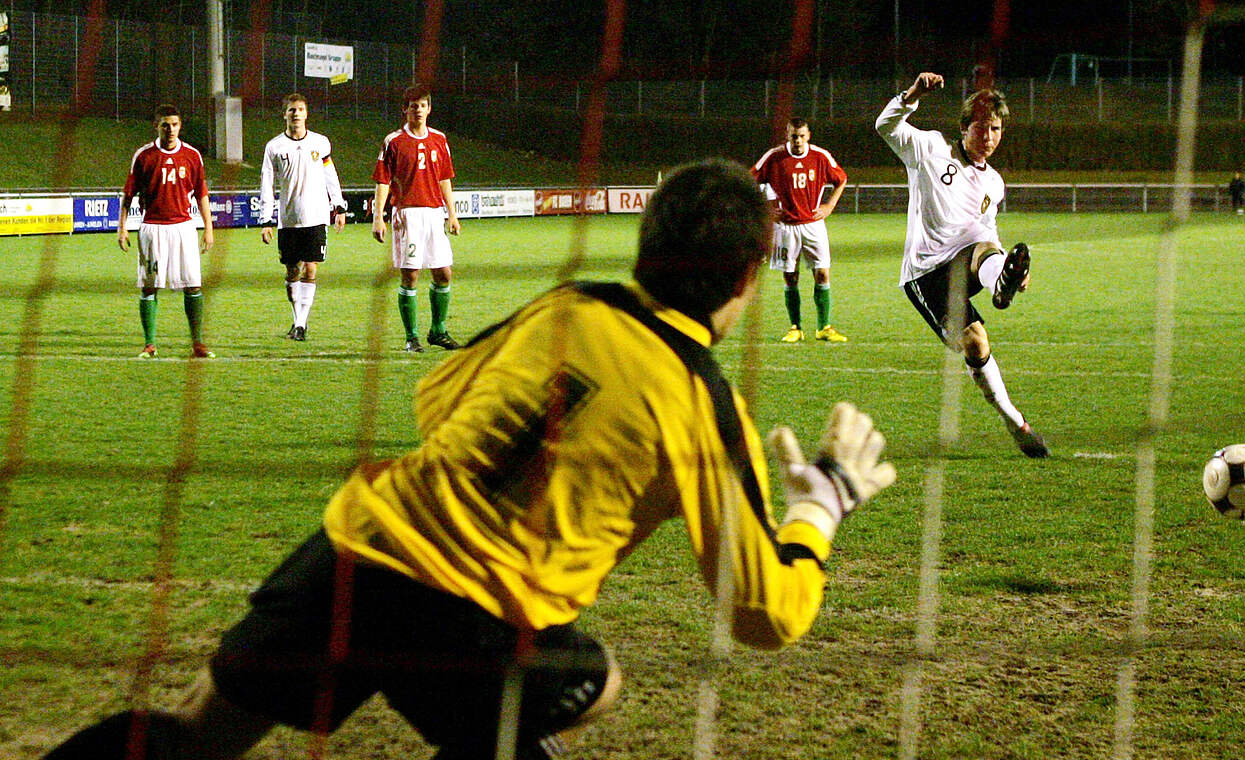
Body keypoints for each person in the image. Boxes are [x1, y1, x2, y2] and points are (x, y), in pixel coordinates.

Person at [42, 159, 897, 760]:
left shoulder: (568, 304)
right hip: (479, 612)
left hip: (361, 546)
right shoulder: (706, 406)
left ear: (646, 246)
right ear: (750, 276)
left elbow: (438, 402)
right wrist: (821, 501)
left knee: (197, 734)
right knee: (588, 684)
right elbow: (765, 614)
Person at [875, 72, 1049, 458]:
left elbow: (986, 233)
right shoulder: (929, 148)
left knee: (986, 245)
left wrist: (1005, 266)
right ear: (964, 127)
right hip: (926, 273)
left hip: (969, 261)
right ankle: (1013, 420)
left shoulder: (995, 184)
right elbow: (885, 126)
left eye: (996, 129)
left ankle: (1000, 285)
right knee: (974, 343)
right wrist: (912, 95)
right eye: (982, 128)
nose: (989, 137)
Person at [117, 103, 215, 359]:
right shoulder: (144, 156)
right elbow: (128, 194)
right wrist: (122, 228)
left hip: (184, 227)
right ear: (156, 126)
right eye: (165, 125)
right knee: (150, 287)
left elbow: (202, 194)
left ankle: (198, 343)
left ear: (180, 126)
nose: (170, 129)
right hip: (153, 229)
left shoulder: (193, 155)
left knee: (193, 285)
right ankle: (150, 344)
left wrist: (208, 228)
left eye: (174, 124)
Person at [371, 83, 461, 353]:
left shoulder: (440, 139)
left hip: (435, 214)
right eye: (413, 106)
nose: (418, 110)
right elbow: (383, 181)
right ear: (405, 110)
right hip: (407, 215)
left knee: (443, 273)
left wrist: (452, 214)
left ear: (429, 109)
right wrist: (378, 217)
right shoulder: (393, 141)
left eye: (422, 106)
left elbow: (445, 178)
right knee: (411, 275)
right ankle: (412, 338)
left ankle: (438, 331)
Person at [751, 117, 850, 343]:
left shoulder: (820, 156)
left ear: (808, 135)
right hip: (785, 228)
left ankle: (824, 327)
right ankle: (795, 327)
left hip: (814, 225)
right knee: (790, 277)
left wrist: (830, 205)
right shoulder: (774, 157)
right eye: (794, 136)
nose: (797, 140)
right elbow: (749, 180)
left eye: (801, 136)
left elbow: (841, 179)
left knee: (823, 273)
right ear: (788, 135)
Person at [260, 92, 348, 342]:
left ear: (306, 113)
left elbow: (330, 174)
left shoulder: (320, 143)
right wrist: (266, 219)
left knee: (310, 268)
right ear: (284, 114)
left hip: (317, 216)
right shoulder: (274, 147)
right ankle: (297, 319)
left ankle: (300, 324)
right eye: (291, 110)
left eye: (300, 109)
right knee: (291, 271)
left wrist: (339, 206)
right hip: (288, 220)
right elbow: (267, 183)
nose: (296, 113)